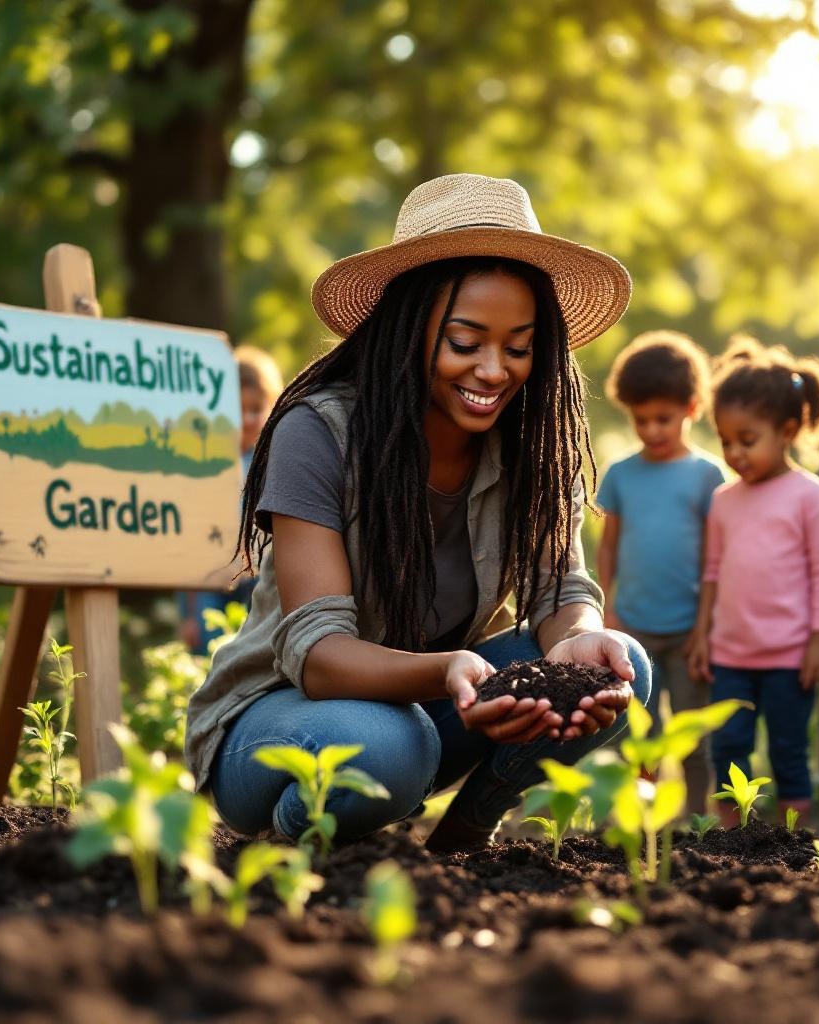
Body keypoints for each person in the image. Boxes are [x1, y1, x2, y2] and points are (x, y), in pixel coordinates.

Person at [185, 173, 653, 854]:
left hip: (433, 704)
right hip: (279, 720)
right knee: (393, 749)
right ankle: (280, 852)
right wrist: (445, 669)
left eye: (518, 347)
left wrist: (575, 638)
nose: (494, 370)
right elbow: (319, 656)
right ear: (410, 329)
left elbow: (559, 589)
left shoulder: (531, 442)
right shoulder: (319, 433)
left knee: (615, 667)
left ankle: (461, 839)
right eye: (465, 342)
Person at [687, 335, 819, 825]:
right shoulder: (724, 501)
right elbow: (713, 570)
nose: (734, 452)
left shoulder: (810, 496)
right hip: (730, 655)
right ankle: (731, 841)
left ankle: (796, 838)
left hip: (789, 656)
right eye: (725, 440)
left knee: (787, 748)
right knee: (728, 747)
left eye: (747, 440)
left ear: (787, 431)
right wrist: (702, 633)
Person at [596, 331, 725, 814]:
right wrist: (609, 612)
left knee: (692, 734)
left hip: (688, 631)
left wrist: (705, 629)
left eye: (663, 419)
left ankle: (695, 817)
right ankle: (638, 815)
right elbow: (608, 548)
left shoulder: (708, 476)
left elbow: (715, 561)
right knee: (637, 734)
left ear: (691, 408)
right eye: (641, 419)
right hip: (634, 628)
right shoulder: (620, 475)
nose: (651, 430)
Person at [179, 346, 285, 655]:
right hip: (209, 577)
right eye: (238, 410)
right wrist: (188, 614)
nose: (247, 419)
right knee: (207, 649)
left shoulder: (273, 460)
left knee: (254, 648)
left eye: (256, 408)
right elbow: (189, 542)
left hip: (259, 577)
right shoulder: (206, 464)